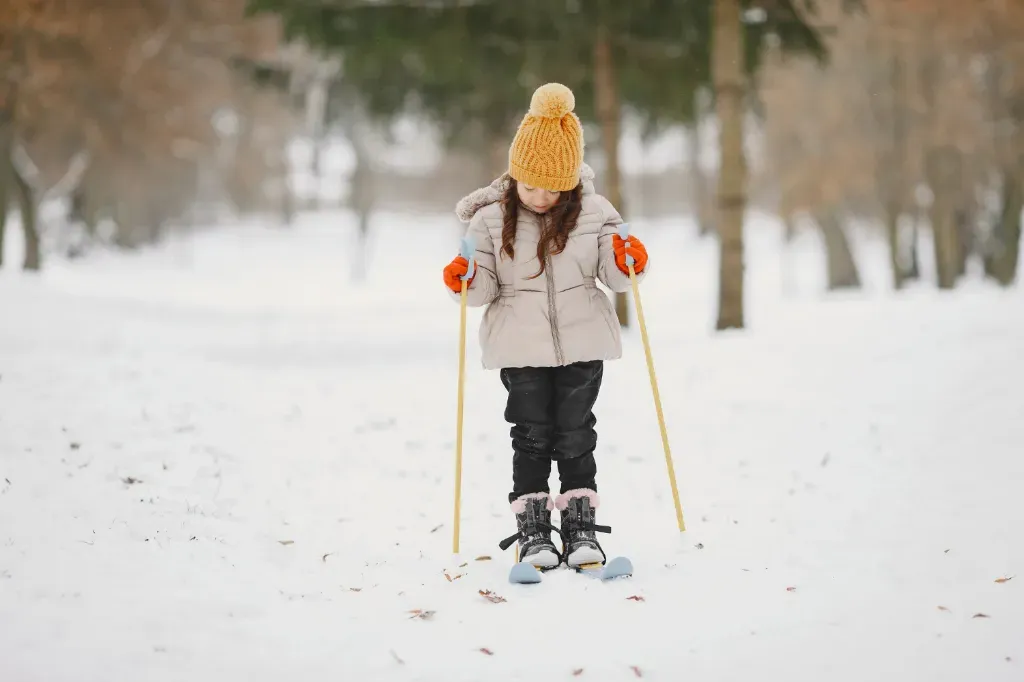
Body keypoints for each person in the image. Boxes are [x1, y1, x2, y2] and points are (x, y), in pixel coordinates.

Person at [441, 83, 649, 569]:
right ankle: (534, 531)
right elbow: (482, 288)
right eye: (529, 184)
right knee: (532, 434)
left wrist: (629, 261)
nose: (539, 196)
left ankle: (580, 530)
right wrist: (463, 279)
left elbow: (616, 277)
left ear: (571, 181)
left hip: (583, 341)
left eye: (551, 186)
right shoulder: (490, 221)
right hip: (519, 346)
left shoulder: (596, 214)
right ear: (515, 175)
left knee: (576, 432)